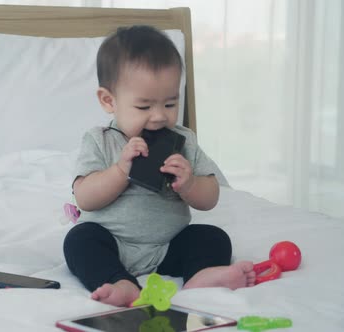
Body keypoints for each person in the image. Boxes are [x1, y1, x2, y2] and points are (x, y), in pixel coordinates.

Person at [63, 25, 256, 307]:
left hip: (169, 246)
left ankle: (200, 275)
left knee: (213, 237)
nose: (158, 117)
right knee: (79, 241)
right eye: (144, 107)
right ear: (109, 100)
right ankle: (121, 282)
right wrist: (120, 170)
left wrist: (189, 185)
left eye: (169, 103)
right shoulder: (99, 140)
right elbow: (85, 198)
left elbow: (211, 197)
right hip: (113, 243)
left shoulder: (184, 141)